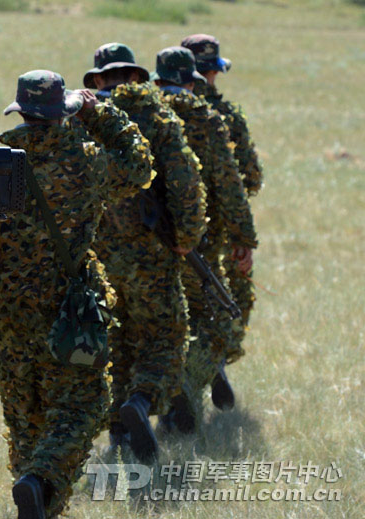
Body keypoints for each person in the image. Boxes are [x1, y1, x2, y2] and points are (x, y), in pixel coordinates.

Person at [0, 69, 153, 519]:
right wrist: (101, 113)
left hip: (9, 311)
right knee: (87, 403)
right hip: (68, 312)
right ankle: (40, 478)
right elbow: (139, 165)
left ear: (21, 111)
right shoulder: (85, 162)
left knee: (24, 419)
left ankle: (34, 493)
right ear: (62, 113)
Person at [83, 43, 206, 457]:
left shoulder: (80, 118)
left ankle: (119, 430)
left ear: (97, 79)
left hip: (97, 254)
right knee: (165, 339)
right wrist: (187, 237)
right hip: (151, 251)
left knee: (115, 341)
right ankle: (142, 400)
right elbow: (186, 183)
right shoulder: (156, 115)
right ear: (136, 77)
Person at [152, 48, 257, 426]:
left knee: (157, 325)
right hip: (201, 240)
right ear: (194, 79)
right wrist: (243, 238)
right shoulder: (206, 118)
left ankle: (144, 410)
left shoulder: (140, 115)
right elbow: (236, 184)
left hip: (143, 243)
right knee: (213, 320)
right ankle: (189, 385)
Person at [183, 34, 262, 401]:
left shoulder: (164, 111)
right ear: (215, 70)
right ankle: (206, 366)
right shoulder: (224, 116)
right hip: (218, 234)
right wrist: (242, 236)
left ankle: (189, 375)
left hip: (161, 230)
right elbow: (250, 176)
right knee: (227, 306)